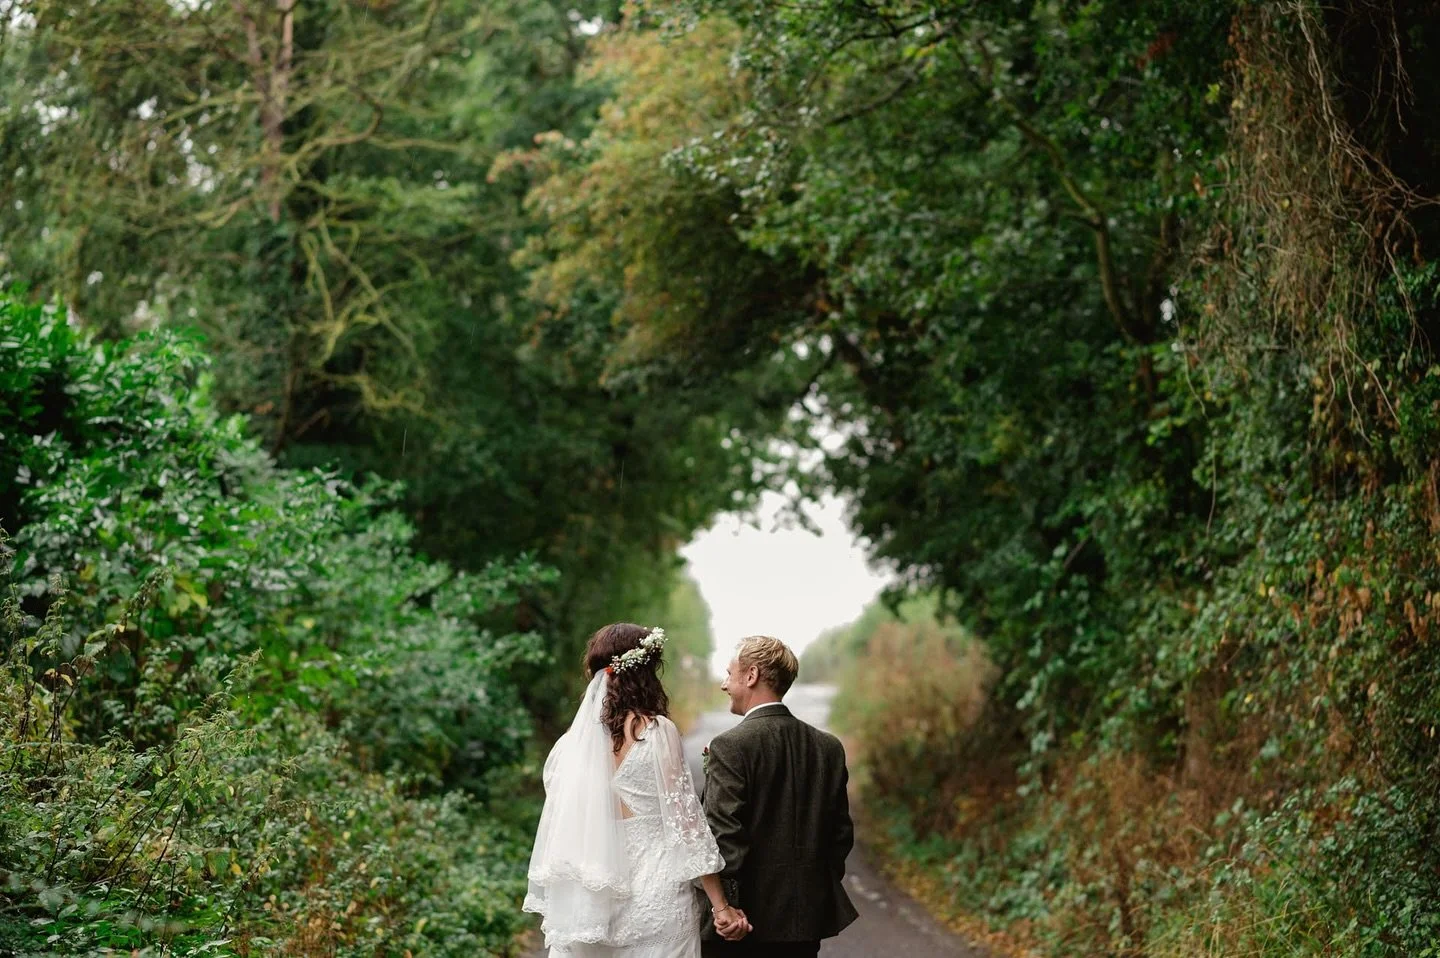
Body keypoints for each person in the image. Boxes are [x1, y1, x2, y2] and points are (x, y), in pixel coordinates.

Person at [525, 623, 753, 956]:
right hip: (656, 897)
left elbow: (566, 825)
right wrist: (721, 905)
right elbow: (686, 824)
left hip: (592, 900)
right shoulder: (657, 732)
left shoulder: (569, 746)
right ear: (646, 673)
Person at [699, 636, 859, 957]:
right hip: (806, 923)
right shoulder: (828, 748)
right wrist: (813, 889)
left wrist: (727, 909)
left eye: (729, 674)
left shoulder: (730, 746)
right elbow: (840, 835)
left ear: (751, 675)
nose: (723, 684)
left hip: (745, 928)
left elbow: (722, 834)